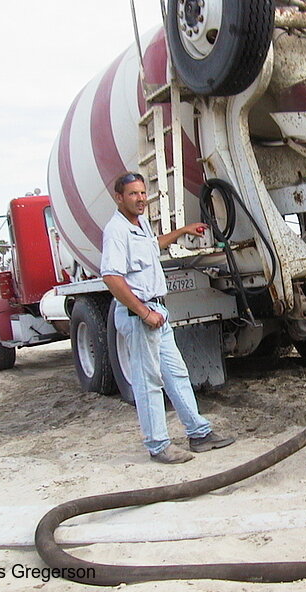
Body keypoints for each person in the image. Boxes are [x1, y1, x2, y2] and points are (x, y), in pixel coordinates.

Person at [100, 172, 234, 464]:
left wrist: (184, 230)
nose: (140, 199)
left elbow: (154, 245)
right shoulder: (117, 231)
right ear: (119, 197)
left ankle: (198, 433)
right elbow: (111, 276)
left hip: (157, 312)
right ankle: (158, 446)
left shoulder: (140, 223)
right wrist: (144, 312)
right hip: (141, 316)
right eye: (133, 194)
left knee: (177, 374)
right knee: (148, 382)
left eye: (142, 193)